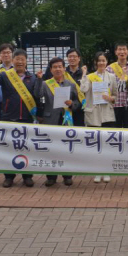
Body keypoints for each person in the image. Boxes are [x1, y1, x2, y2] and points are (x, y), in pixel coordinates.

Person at [0, 49, 42, 188]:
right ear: (12, 60)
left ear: (26, 61)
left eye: (22, 59)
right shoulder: (5, 76)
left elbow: (37, 95)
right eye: (17, 59)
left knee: (26, 147)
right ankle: (9, 177)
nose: (20, 62)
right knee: (9, 148)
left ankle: (27, 176)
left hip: (27, 118)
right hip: (9, 117)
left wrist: (39, 80)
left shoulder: (32, 77)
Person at [34, 57, 81, 187]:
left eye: (60, 66)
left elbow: (78, 103)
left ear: (64, 68)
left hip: (66, 120)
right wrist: (38, 79)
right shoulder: (45, 83)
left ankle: (67, 176)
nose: (58, 69)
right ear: (51, 70)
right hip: (50, 120)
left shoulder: (70, 85)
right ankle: (51, 177)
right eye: (55, 67)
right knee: (51, 149)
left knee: (66, 149)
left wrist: (72, 104)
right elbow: (37, 95)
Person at [80, 51, 118, 183]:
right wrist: (84, 74)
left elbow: (115, 95)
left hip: (107, 114)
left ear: (107, 62)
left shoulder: (112, 77)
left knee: (107, 145)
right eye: (99, 60)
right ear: (95, 62)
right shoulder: (90, 77)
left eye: (104, 60)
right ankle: (96, 171)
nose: (101, 63)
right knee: (95, 145)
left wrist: (110, 98)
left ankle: (106, 171)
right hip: (93, 114)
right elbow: (83, 90)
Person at [106, 42, 128, 128]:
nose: (122, 52)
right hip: (115, 106)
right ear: (116, 52)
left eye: (124, 49)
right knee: (116, 132)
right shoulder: (109, 68)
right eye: (119, 49)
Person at [64, 48, 86, 127]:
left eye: (74, 56)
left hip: (81, 109)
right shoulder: (62, 73)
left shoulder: (84, 73)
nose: (72, 58)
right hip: (65, 108)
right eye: (70, 56)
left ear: (79, 58)